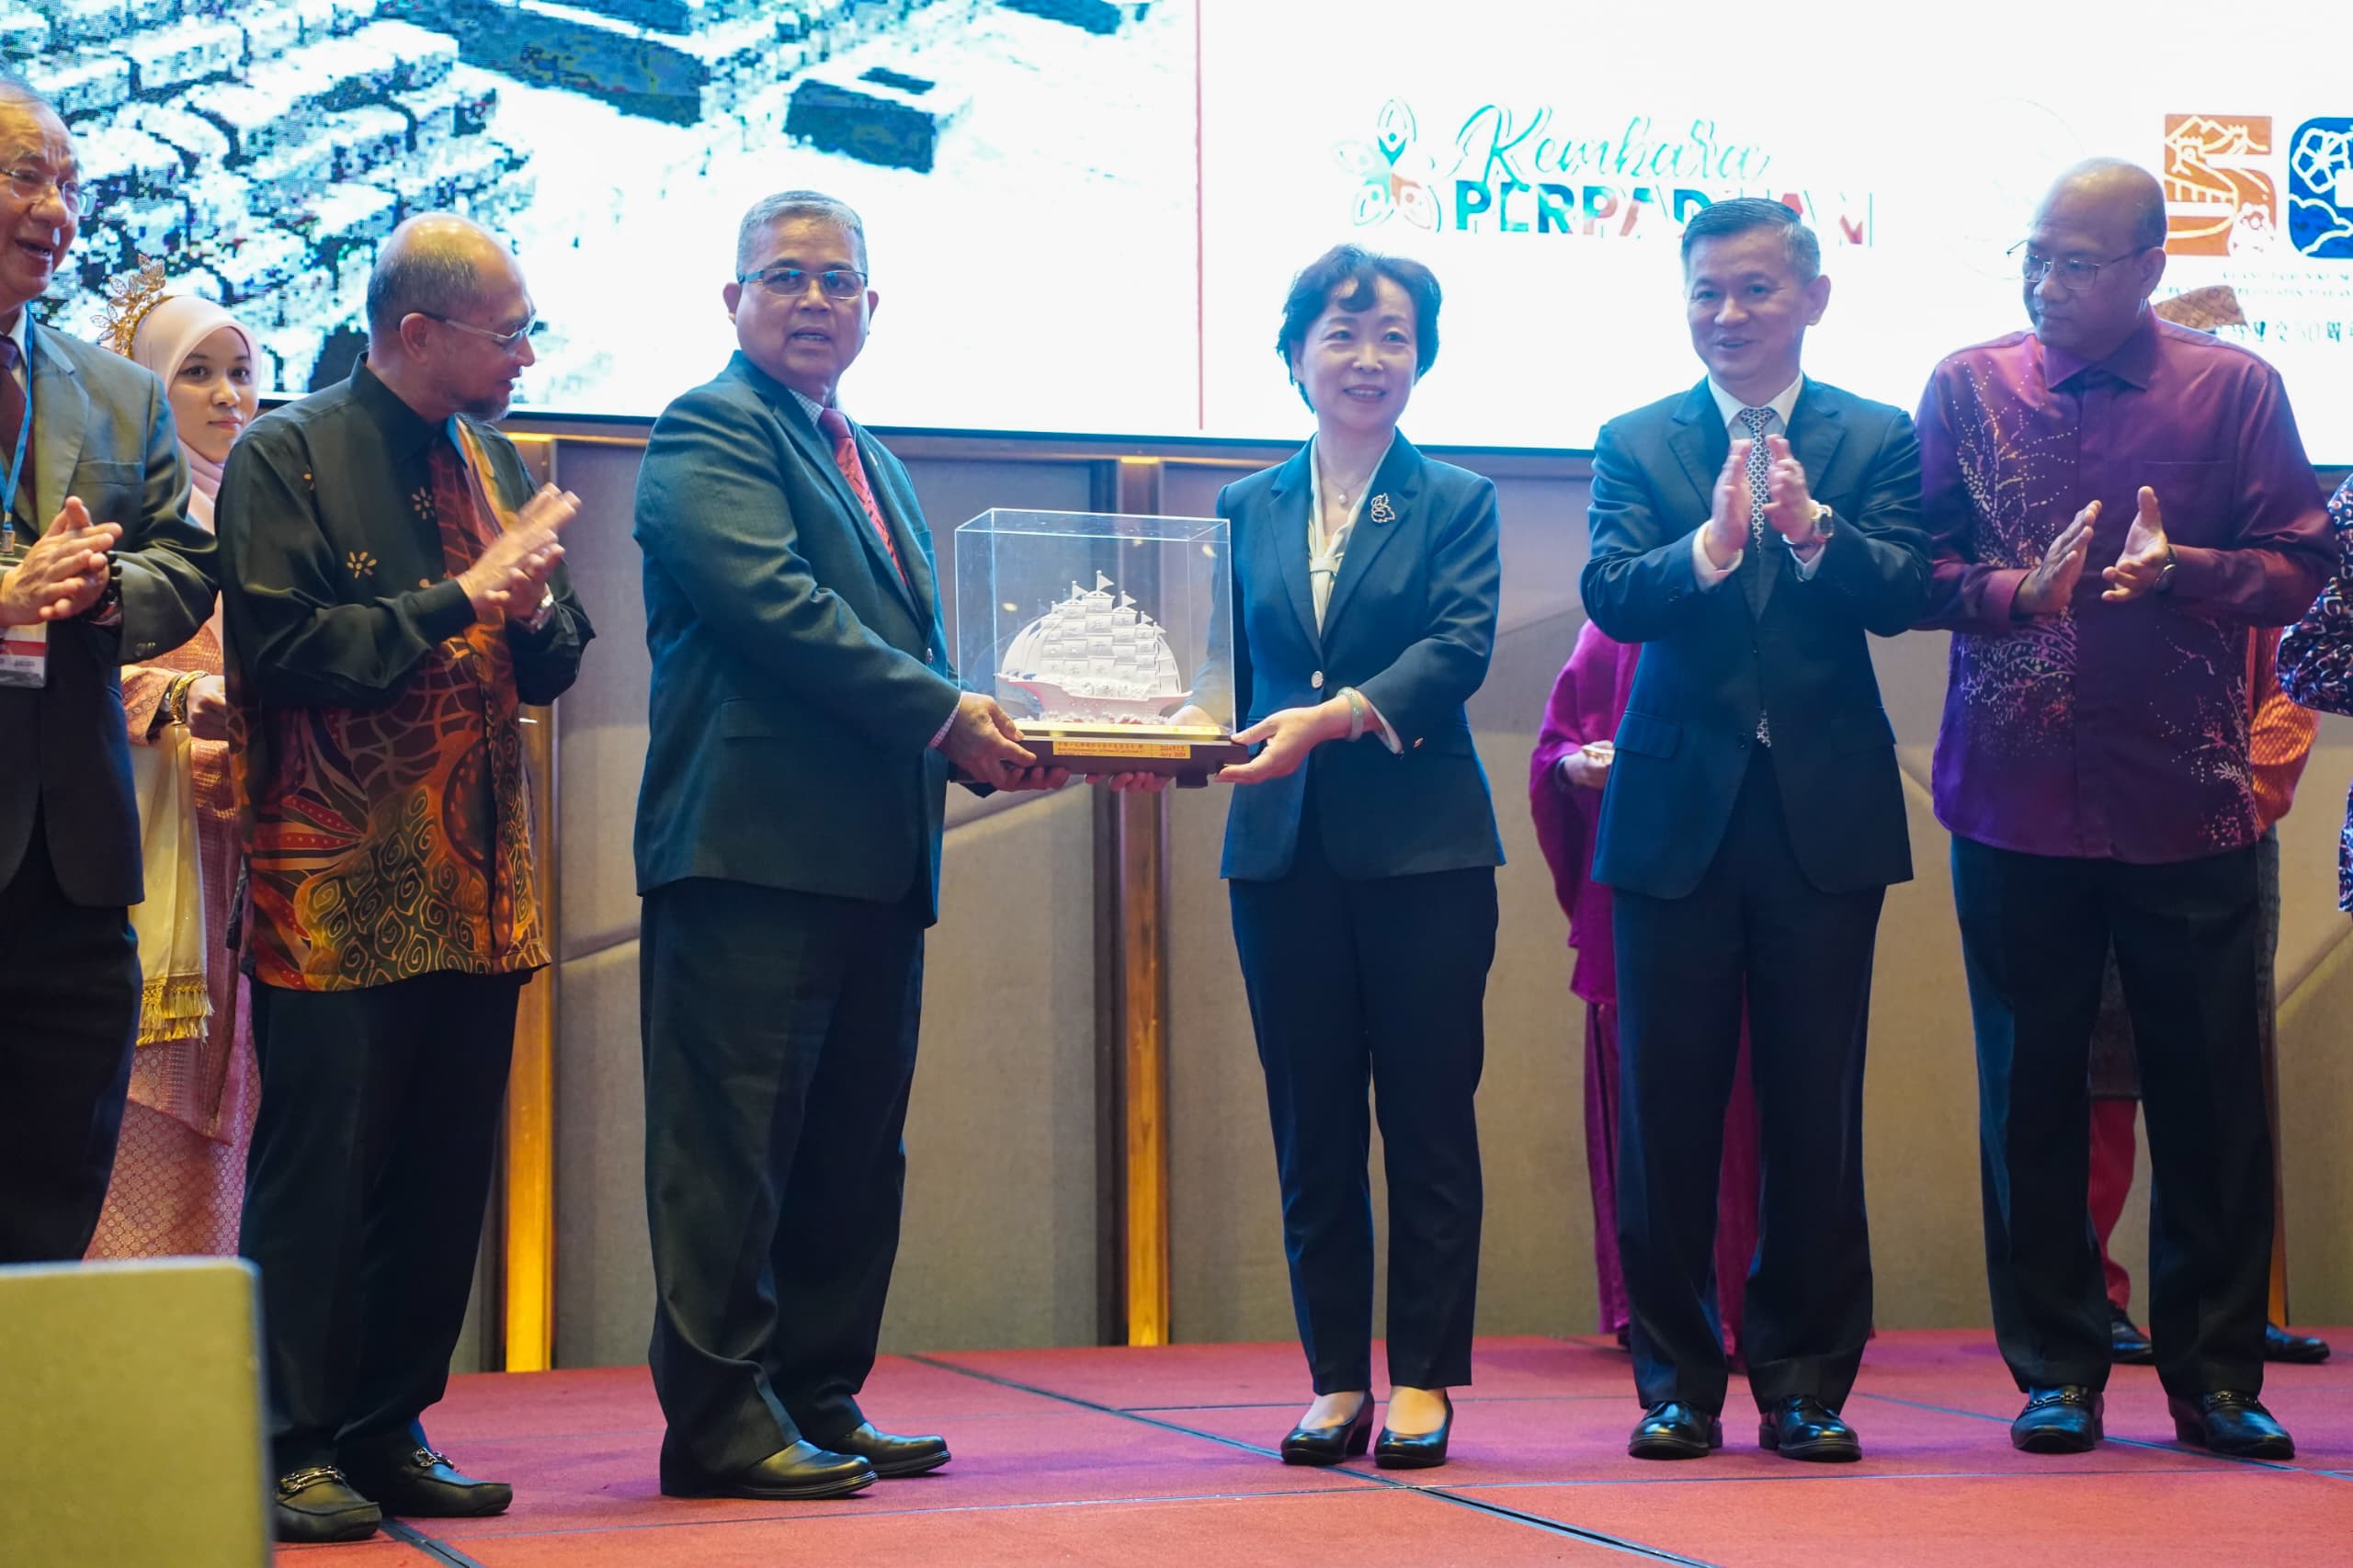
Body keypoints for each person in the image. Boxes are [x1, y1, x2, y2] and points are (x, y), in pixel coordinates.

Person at [633, 189, 1058, 1506]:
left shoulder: (864, 450)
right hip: (750, 852)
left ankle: (814, 1393)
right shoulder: (709, 426)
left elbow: (902, 644)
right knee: (732, 1155)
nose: (814, 300)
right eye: (786, 276)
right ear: (734, 300)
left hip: (873, 857)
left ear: (873, 305)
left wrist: (990, 729)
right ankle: (718, 1419)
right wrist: (948, 714)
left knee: (849, 1155)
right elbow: (777, 607)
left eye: (838, 281)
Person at [1916, 159, 2331, 1460]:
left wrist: (2184, 568)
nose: (2045, 284)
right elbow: (1917, 566)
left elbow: (2304, 566)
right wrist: (2011, 593)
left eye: (2077, 263)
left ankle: (2215, 1377)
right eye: (2033, 257)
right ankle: (2058, 1368)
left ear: (2149, 268)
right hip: (2014, 799)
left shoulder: (2234, 388)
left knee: (2210, 1099)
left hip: (2187, 799)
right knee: (2029, 1095)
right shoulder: (1966, 387)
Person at [217, 213, 593, 1544]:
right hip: (337, 887)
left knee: (438, 1179)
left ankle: (388, 1426)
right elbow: (284, 652)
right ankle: (287, 1442)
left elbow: (553, 659)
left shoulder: (489, 458)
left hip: (479, 886)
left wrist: (532, 610)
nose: (527, 357)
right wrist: (462, 596)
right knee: (320, 1179)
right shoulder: (287, 453)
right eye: (509, 334)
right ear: (417, 331)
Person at [1116, 244, 1503, 1471]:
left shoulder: (1456, 498)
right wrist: (1156, 739)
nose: (1367, 359)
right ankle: (1336, 1376)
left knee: (1429, 1120)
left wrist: (1333, 718)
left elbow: (1456, 650)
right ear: (1294, 356)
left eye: (1393, 337)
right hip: (1282, 856)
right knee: (1312, 1125)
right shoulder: (1246, 505)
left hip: (1426, 853)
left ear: (1420, 358)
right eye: (1341, 335)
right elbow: (1226, 675)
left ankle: (1424, 1376)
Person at [1582, 197, 1930, 1464]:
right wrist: (1713, 546)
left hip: (1822, 817)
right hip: (1675, 815)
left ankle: (1803, 1381)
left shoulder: (1876, 435)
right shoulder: (1636, 439)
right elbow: (1612, 594)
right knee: (1665, 1113)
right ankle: (1676, 1380)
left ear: (1812, 298)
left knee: (1812, 1111)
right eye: (1705, 293)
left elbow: (1906, 588)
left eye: (1753, 290)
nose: (1726, 315)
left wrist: (1811, 528)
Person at [0, 80, 216, 1266]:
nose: (57, 211)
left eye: (69, 185)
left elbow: (187, 559)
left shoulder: (119, 392)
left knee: (51, 1199)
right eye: (26, 176)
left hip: (74, 870)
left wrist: (103, 590)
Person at [2090, 626, 2330, 1368]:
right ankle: (2091, 1295)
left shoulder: (2258, 549)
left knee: (2225, 1074)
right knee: (2100, 1066)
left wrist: (2246, 795)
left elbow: (2293, 667)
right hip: (2104, 821)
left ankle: (2227, 1305)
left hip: (2229, 826)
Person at [1529, 618, 1761, 1360]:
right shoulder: (1620, 622)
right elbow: (1555, 750)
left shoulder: (1774, 606)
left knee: (1759, 1103)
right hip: (1646, 880)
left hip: (1756, 880)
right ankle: (1661, 1313)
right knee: (1650, 1102)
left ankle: (1764, 1307)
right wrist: (1576, 768)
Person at [85, 291, 261, 1260]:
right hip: (147, 856)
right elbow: (67, 674)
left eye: (240, 372)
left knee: (240, 1132)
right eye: (197, 373)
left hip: (249, 860)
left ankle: (213, 1345)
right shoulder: (125, 522)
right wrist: (182, 698)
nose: (228, 396)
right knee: (135, 1118)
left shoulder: (269, 517)